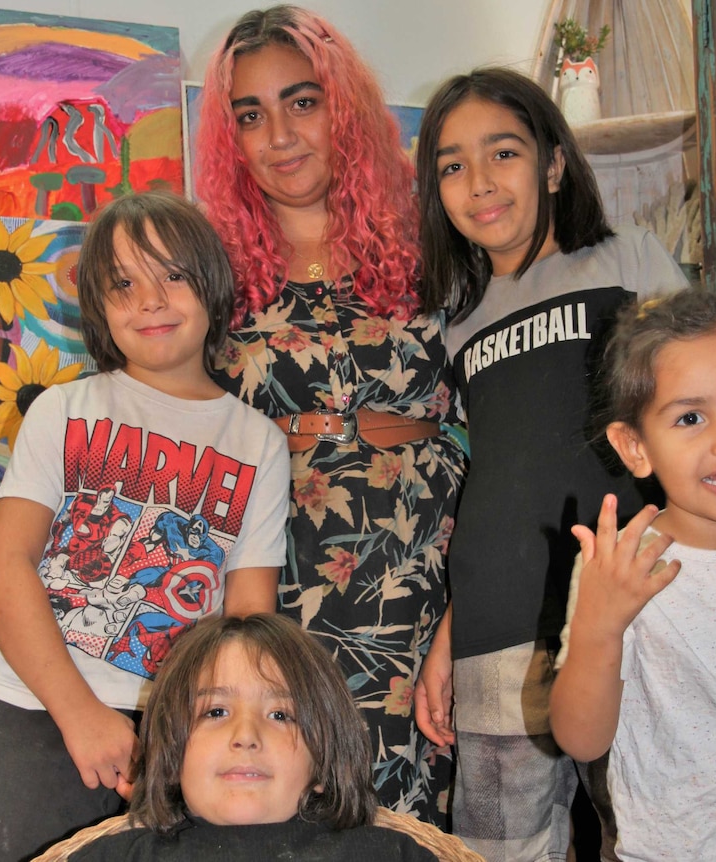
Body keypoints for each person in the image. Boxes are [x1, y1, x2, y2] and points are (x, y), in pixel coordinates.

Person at [0, 192, 291, 861]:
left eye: (173, 275)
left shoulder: (259, 443)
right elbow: (5, 565)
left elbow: (249, 615)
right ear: (101, 309)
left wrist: (221, 728)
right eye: (123, 283)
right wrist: (80, 714)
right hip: (36, 710)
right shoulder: (63, 409)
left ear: (214, 285)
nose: (150, 300)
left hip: (184, 731)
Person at [412, 67, 688, 861]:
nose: (479, 183)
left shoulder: (628, 260)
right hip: (495, 629)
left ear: (554, 163)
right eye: (453, 166)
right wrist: (446, 638)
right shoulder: (454, 323)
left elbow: (707, 398)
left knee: (657, 833)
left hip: (637, 608)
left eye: (503, 153)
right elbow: (496, 480)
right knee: (503, 849)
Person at [199, 6, 466, 823]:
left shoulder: (439, 242)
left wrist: (463, 609)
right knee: (284, 799)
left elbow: (493, 427)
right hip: (273, 577)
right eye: (251, 114)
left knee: (402, 811)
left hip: (418, 574)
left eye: (302, 101)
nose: (279, 135)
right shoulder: (209, 274)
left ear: (343, 107)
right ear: (230, 138)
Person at [550, 290, 716, 861]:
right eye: (691, 417)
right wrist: (600, 625)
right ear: (635, 446)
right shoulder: (622, 565)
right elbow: (579, 737)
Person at [63, 614, 440, 860]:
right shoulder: (113, 858)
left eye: (280, 715)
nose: (245, 736)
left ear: (324, 762)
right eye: (215, 712)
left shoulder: (390, 855)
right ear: (171, 753)